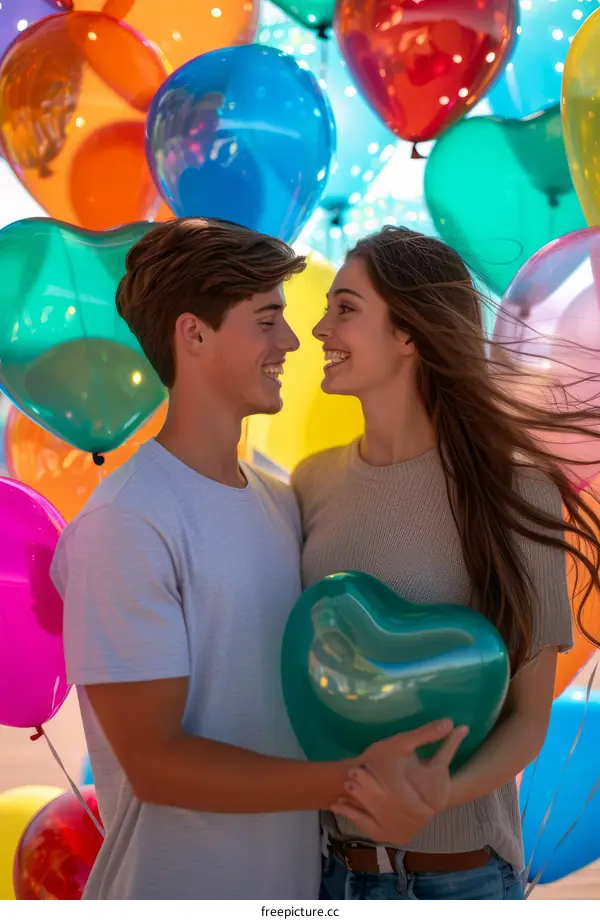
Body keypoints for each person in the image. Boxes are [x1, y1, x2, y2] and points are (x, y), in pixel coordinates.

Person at [50, 219, 467, 900]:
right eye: (268, 319)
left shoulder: (281, 495)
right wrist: (358, 782)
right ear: (194, 334)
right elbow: (155, 765)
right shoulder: (127, 520)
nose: (292, 340)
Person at [292, 226, 600, 901]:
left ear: (409, 333)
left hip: (463, 880)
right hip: (332, 878)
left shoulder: (515, 488)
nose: (318, 327)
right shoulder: (310, 483)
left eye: (345, 307)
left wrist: (439, 794)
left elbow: (527, 716)